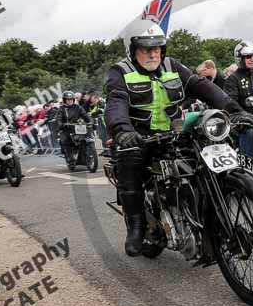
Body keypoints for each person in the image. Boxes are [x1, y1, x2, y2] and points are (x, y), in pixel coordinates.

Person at [104, 19, 245, 257]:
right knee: (130, 165)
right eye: (146, 49)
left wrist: (234, 109)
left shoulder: (172, 66)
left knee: (207, 155)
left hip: (174, 133)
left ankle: (208, 210)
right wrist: (122, 130)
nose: (152, 54)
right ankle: (136, 226)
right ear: (132, 49)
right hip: (139, 137)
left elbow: (201, 86)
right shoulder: (120, 72)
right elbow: (115, 103)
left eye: (157, 48)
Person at [57, 91, 93, 168]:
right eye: (68, 99)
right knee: (64, 140)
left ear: (73, 100)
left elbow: (85, 115)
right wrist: (60, 124)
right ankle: (70, 160)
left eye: (71, 99)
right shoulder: (61, 109)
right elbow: (59, 118)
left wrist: (90, 121)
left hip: (77, 127)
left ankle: (88, 156)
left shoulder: (78, 107)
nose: (70, 101)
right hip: (66, 128)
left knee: (86, 138)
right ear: (64, 100)